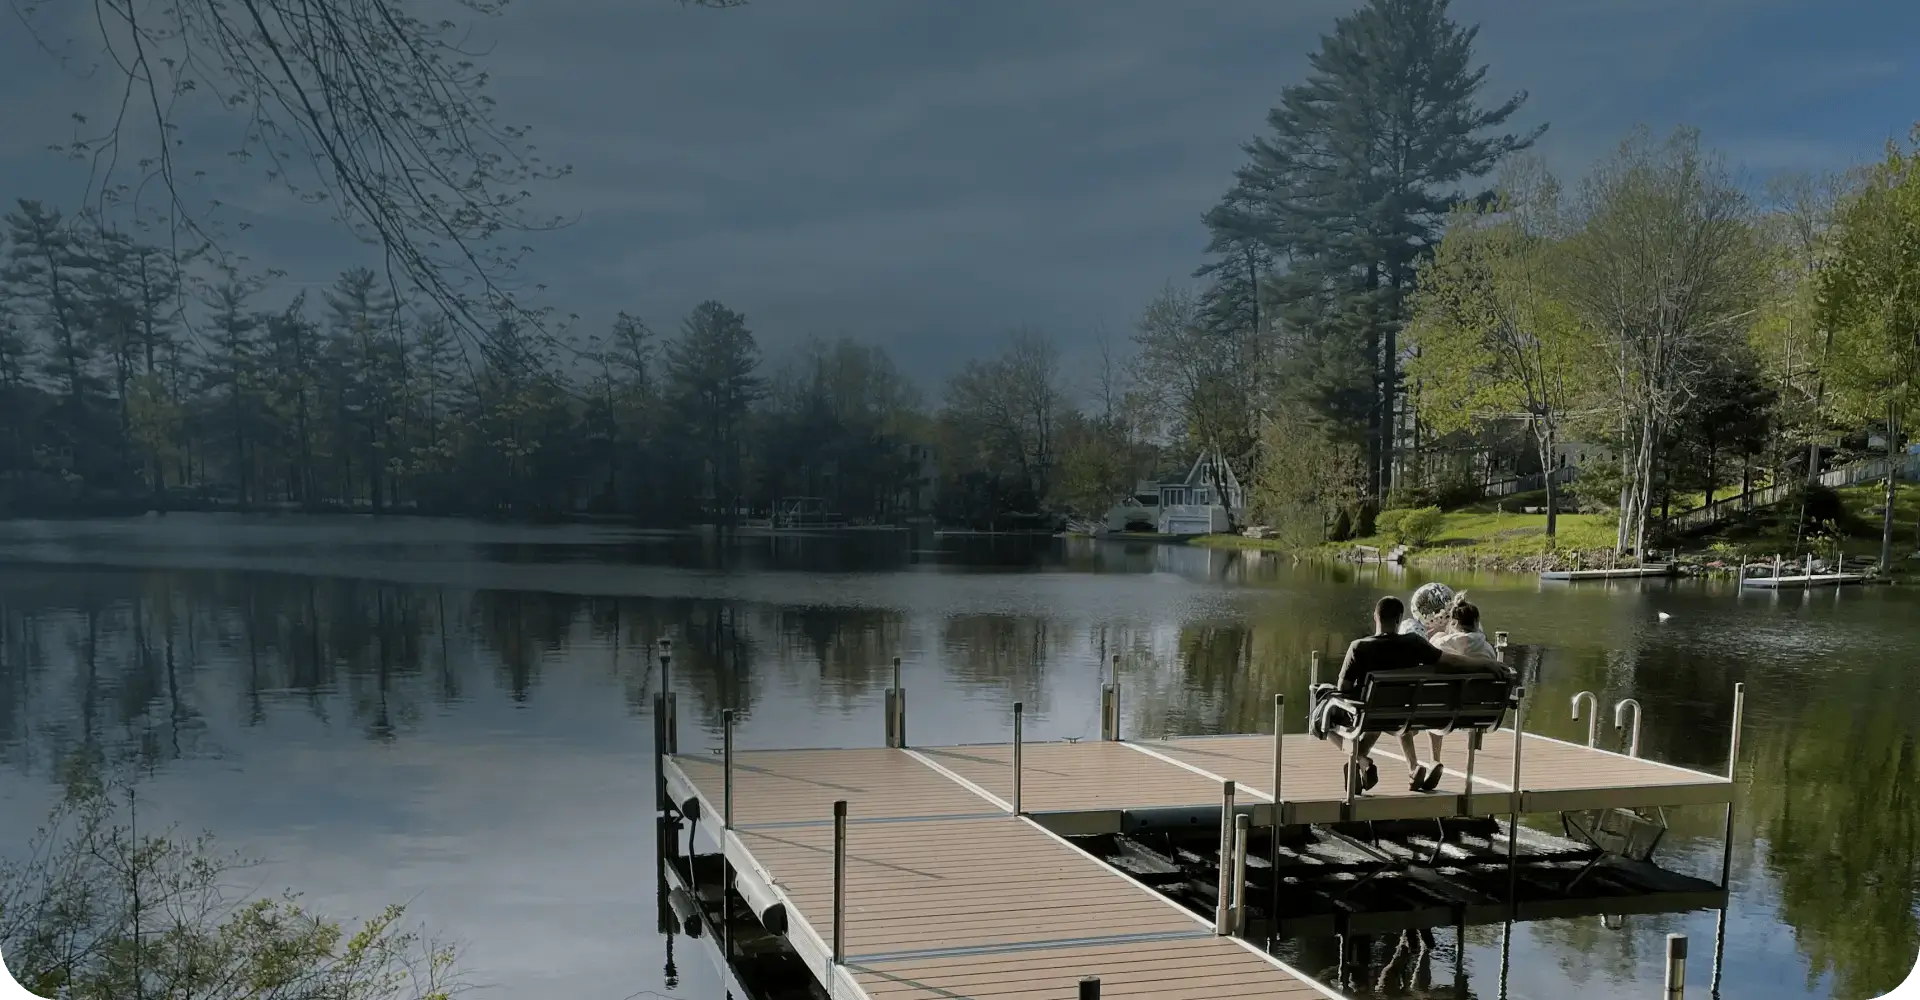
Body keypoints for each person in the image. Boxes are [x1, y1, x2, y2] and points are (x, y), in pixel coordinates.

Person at [1314, 596, 1507, 794]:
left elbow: (1343, 689)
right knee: (1381, 711)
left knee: (1320, 712)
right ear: (1399, 620)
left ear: (1375, 616)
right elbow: (1453, 662)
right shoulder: (1414, 643)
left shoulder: (1358, 647)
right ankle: (1375, 763)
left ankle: (1361, 760)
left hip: (1368, 713)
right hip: (1401, 714)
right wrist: (1486, 664)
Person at [1402, 598, 1500, 787]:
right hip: (1476, 714)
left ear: (1453, 623)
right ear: (1477, 623)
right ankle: (1434, 761)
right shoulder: (1488, 650)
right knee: (1440, 704)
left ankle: (1416, 768)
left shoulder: (1440, 644)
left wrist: (1438, 634)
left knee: (1410, 716)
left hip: (1438, 711)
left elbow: (1427, 659)